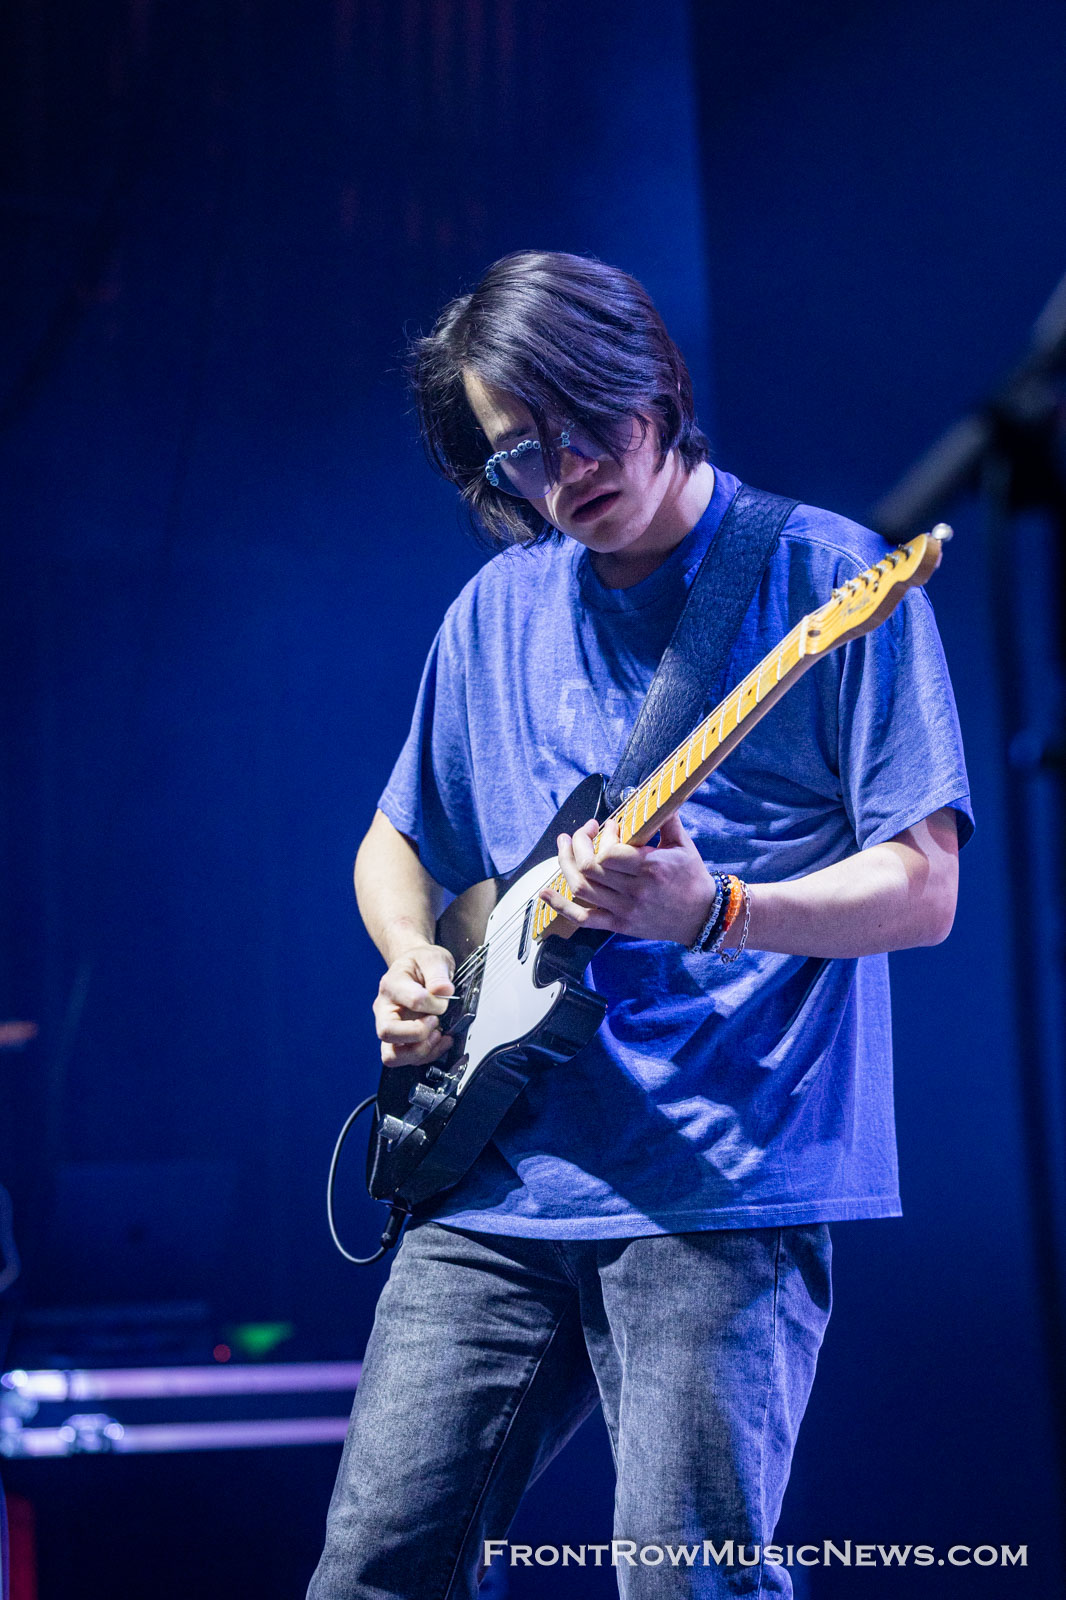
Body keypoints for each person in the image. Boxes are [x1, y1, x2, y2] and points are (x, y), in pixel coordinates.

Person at [308, 251, 971, 1599]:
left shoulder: (825, 577)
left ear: (656, 389)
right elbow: (395, 841)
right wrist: (413, 958)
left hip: (720, 1187)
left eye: (584, 425)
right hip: (494, 1179)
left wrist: (714, 907)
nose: (564, 475)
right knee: (372, 1574)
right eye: (519, 453)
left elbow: (925, 889)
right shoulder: (496, 608)